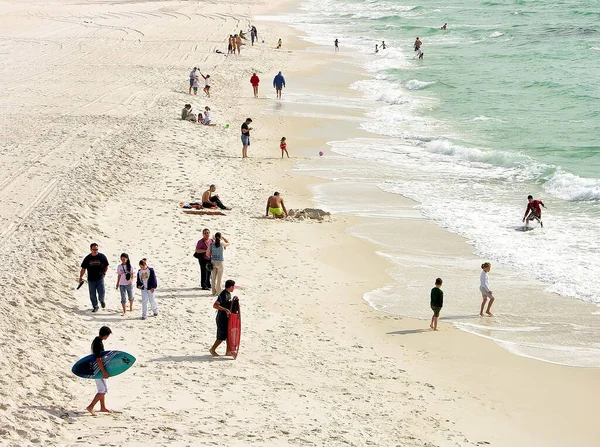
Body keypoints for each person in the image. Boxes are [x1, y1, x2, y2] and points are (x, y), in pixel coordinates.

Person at [86, 326, 112, 416]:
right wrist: (104, 371)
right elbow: (99, 359)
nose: (108, 337)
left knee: (101, 389)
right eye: (108, 335)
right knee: (104, 390)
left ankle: (103, 407)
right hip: (98, 369)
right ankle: (90, 407)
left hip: (95, 368)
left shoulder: (96, 340)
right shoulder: (99, 344)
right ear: (105, 335)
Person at [209, 279, 237, 356]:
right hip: (221, 318)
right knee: (221, 336)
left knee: (228, 335)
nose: (234, 288)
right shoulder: (223, 294)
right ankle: (212, 349)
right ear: (231, 286)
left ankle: (228, 352)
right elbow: (215, 305)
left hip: (226, 318)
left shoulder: (229, 294)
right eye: (233, 286)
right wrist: (225, 309)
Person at [79, 243, 110, 312]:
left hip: (100, 278)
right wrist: (80, 277)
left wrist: (104, 273)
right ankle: (95, 306)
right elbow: (83, 269)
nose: (95, 251)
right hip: (91, 279)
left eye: (96, 249)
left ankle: (102, 300)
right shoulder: (87, 258)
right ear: (91, 249)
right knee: (92, 294)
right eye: (94, 249)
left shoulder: (102, 256)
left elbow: (106, 266)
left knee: (102, 292)